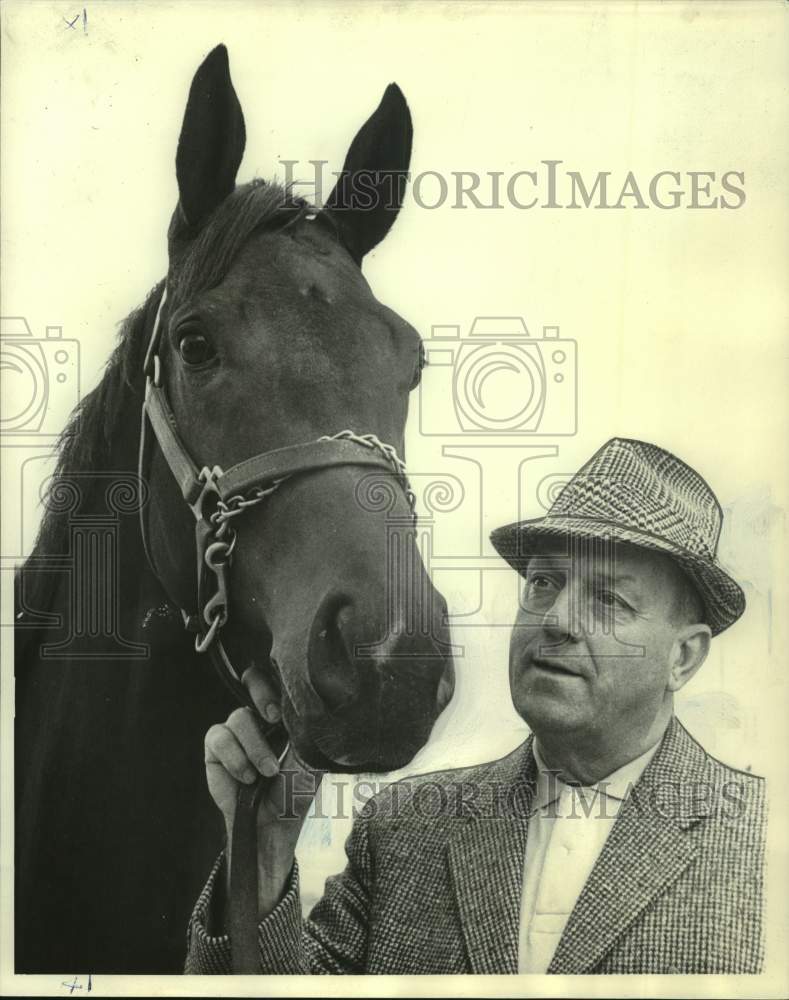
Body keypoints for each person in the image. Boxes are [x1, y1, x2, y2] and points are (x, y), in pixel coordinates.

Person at [186, 437, 765, 975]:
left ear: (683, 658)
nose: (557, 620)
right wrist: (264, 848)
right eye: (544, 584)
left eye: (608, 600)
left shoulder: (764, 846)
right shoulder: (400, 830)